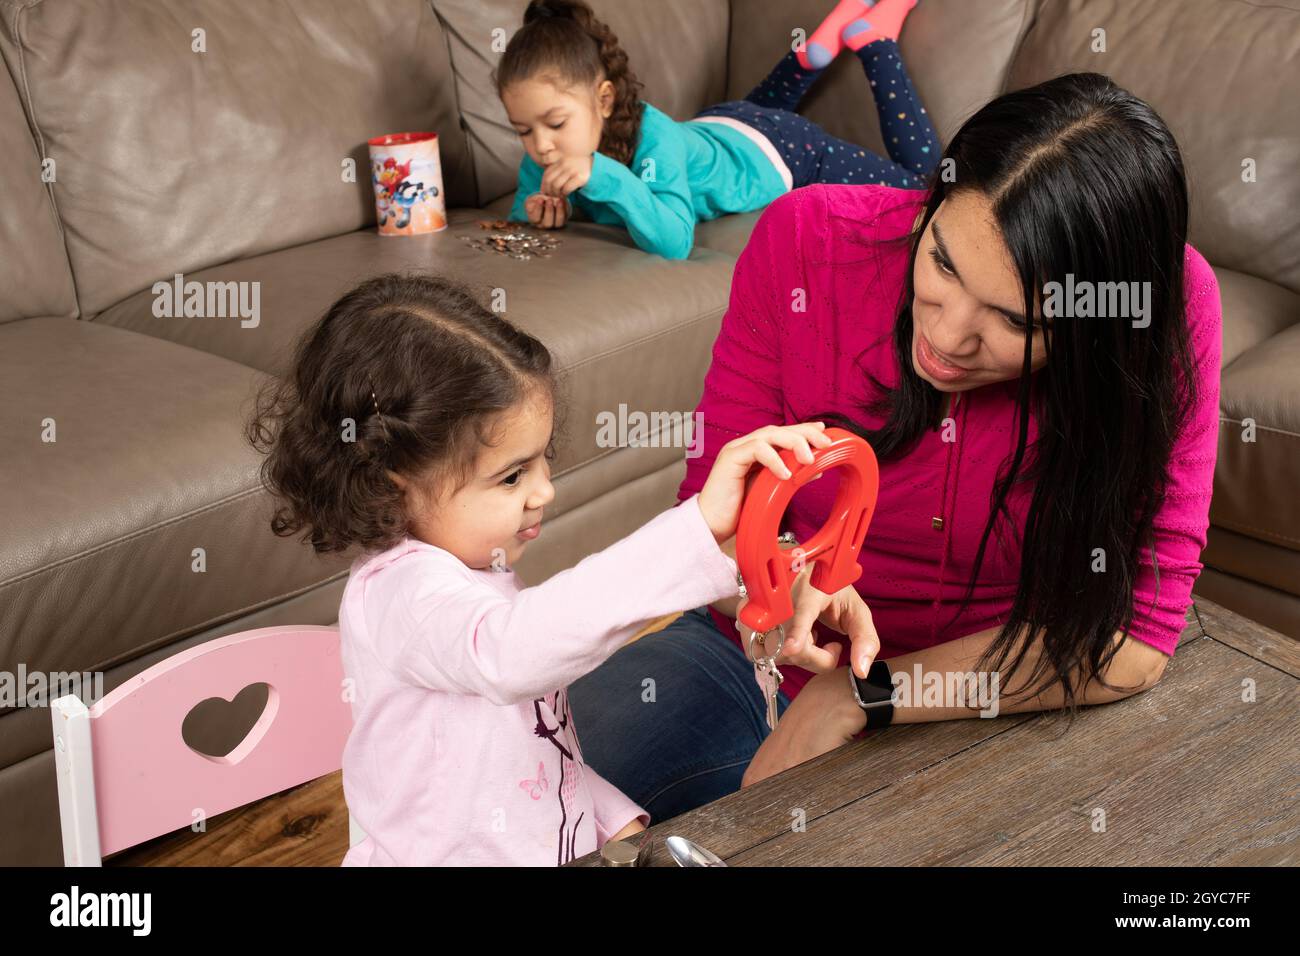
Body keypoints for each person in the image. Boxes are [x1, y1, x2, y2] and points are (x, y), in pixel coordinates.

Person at [569, 72, 1222, 823]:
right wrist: (770, 584)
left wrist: (865, 694)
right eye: (942, 261)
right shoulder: (805, 239)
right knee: (516, 791)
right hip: (742, 658)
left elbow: (1133, 639)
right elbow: (708, 520)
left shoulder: (1170, 309)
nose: (943, 338)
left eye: (1014, 320)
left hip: (996, 690)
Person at [245, 272, 834, 864]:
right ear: (393, 487)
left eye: (541, 461)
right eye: (511, 476)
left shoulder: (475, 570)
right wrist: (697, 529)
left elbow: (526, 751)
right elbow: (513, 654)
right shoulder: (400, 591)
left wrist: (607, 820)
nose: (545, 491)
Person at [497, 0, 936, 258]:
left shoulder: (655, 138)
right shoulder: (544, 153)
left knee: (932, 187)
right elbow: (520, 215)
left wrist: (605, 175)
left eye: (555, 123)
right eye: (522, 130)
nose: (540, 145)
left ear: (605, 99)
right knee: (758, 105)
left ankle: (876, 43)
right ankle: (811, 53)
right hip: (724, 122)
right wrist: (543, 214)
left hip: (784, 149)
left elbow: (674, 242)